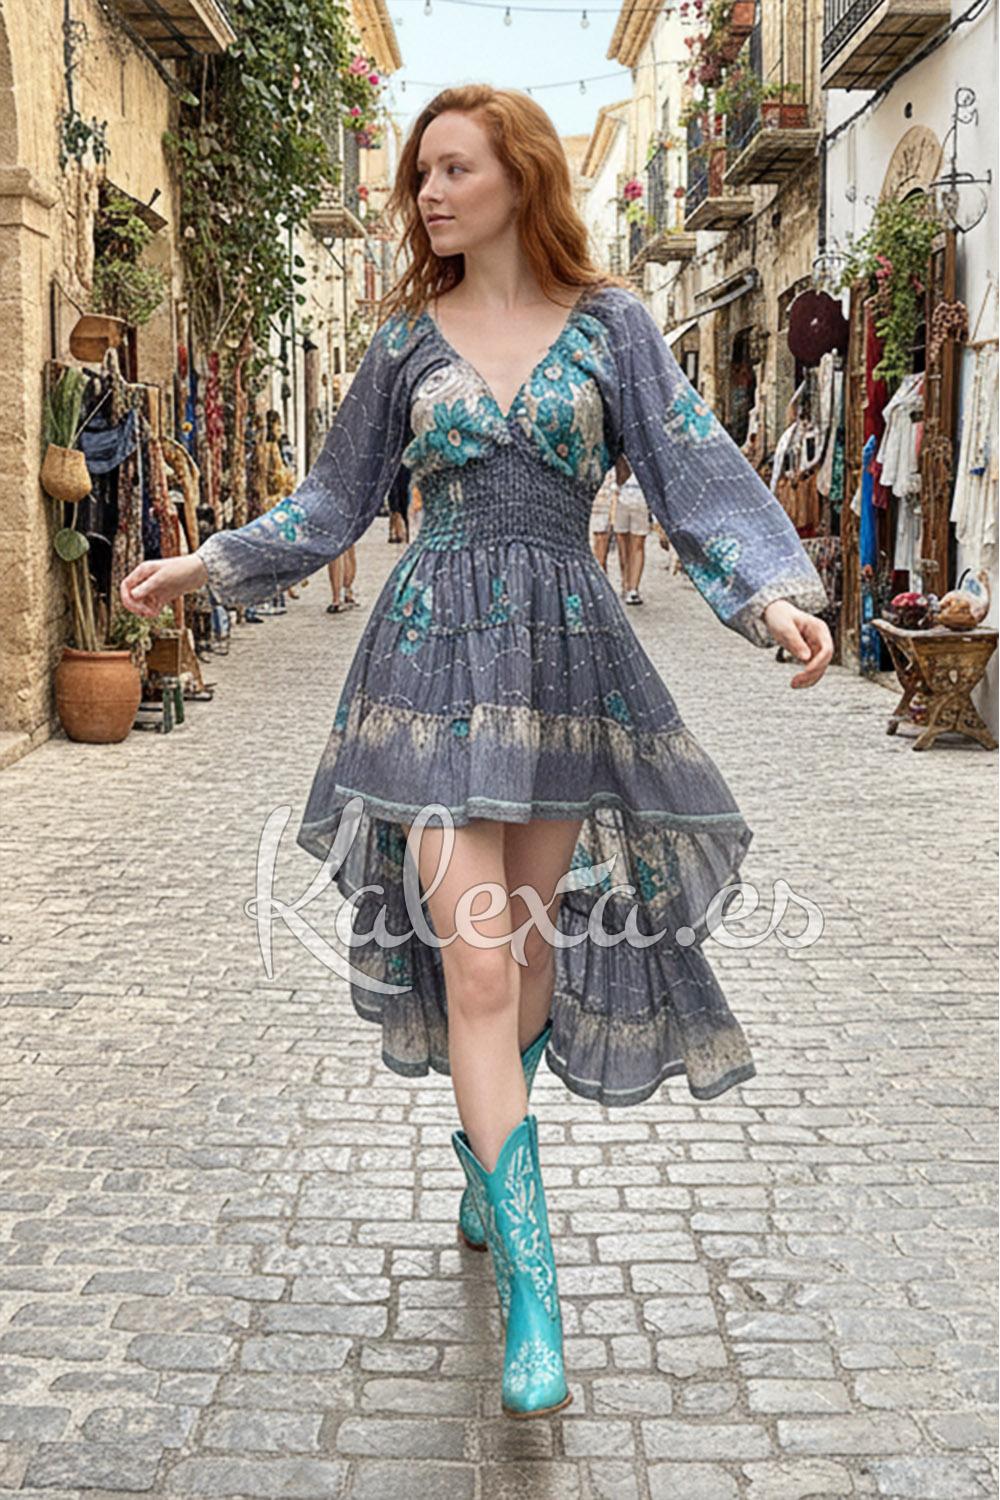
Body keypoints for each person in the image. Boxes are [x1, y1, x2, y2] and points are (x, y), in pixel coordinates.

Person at [120, 84, 833, 1422]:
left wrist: (768, 599)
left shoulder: (614, 326)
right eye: (420, 176)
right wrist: (208, 563)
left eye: (453, 169)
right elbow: (333, 502)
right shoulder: (402, 341)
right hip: (431, 670)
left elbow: (693, 476)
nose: (429, 194)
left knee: (532, 959)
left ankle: (482, 1152)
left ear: (520, 174)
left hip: (565, 671)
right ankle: (535, 1302)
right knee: (481, 965)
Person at [614, 455, 650, 605]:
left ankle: (633, 588)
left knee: (638, 544)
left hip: (641, 499)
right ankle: (625, 582)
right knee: (622, 544)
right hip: (620, 497)